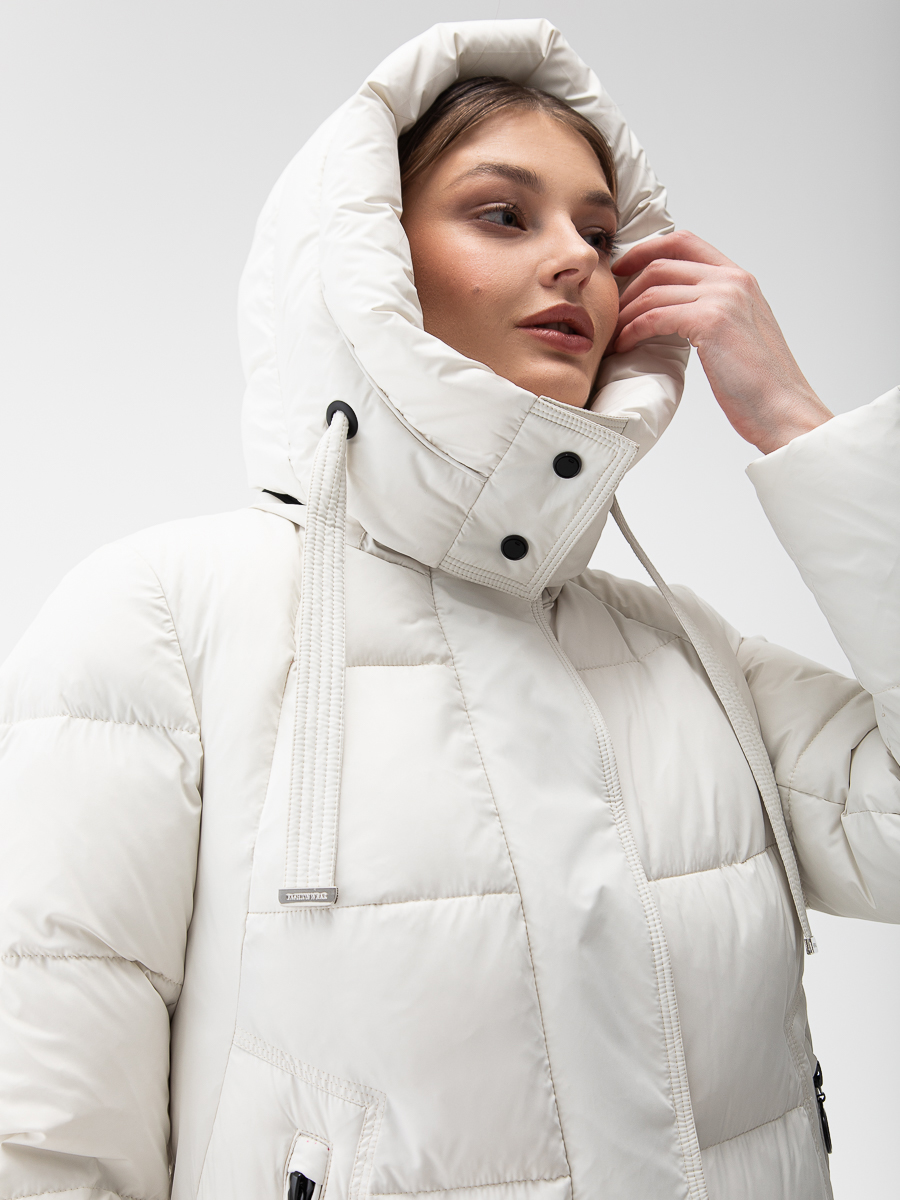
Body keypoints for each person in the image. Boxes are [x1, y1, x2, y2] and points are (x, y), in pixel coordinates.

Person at [0, 18, 897, 1200]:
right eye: (504, 214)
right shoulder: (161, 621)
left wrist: (802, 427)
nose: (578, 259)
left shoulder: (682, 652)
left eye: (602, 233)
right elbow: (50, 1135)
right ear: (365, 258)